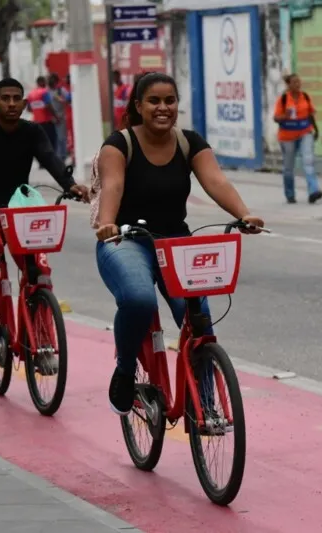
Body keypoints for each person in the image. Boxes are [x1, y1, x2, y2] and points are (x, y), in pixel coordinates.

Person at [94, 72, 265, 415]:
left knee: (198, 318)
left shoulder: (189, 142)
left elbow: (216, 180)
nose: (163, 108)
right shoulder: (118, 144)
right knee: (140, 300)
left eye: (169, 101)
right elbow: (112, 185)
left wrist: (245, 214)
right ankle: (126, 371)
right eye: (154, 101)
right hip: (126, 239)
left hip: (176, 244)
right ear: (138, 106)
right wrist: (107, 222)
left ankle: (206, 409)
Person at [0, 78, 89, 358]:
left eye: (17, 98)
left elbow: (50, 158)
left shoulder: (33, 132)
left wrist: (70, 185)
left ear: (25, 103)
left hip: (19, 208)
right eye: (5, 98)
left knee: (39, 272)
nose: (11, 103)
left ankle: (43, 343)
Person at [273, 74, 322, 204]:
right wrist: (285, 115)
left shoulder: (305, 97)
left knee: (308, 161)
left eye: (299, 82)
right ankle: (290, 194)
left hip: (304, 133)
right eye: (294, 82)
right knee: (289, 167)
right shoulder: (283, 99)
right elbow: (276, 118)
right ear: (289, 85)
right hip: (287, 136)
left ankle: (313, 191)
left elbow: (310, 114)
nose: (297, 84)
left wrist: (316, 129)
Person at [26, 76, 57, 154]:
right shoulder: (44, 92)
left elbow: (29, 109)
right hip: (46, 121)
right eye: (44, 82)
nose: (46, 83)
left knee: (39, 141)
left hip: (36, 122)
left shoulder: (31, 94)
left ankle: (41, 161)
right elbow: (49, 106)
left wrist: (36, 111)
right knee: (51, 140)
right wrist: (56, 116)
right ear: (42, 82)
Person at [48, 73, 70, 161]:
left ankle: (62, 156)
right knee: (52, 138)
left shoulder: (61, 90)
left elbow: (68, 98)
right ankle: (55, 155)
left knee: (61, 137)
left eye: (53, 80)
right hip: (49, 118)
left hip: (60, 117)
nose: (51, 82)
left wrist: (60, 98)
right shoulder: (46, 91)